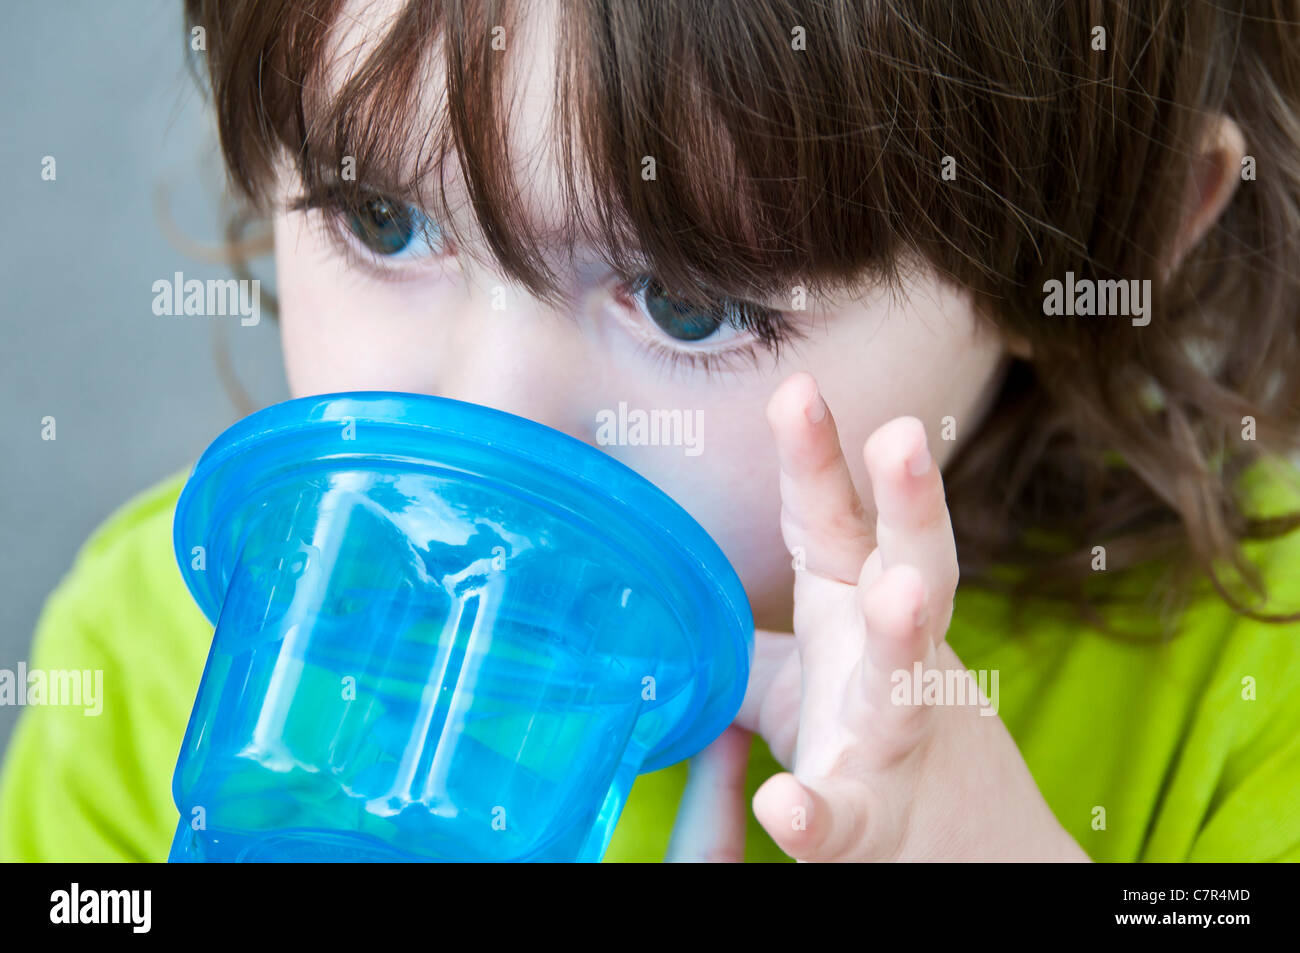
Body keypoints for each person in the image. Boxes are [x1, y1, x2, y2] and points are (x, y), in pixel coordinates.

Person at [4, 0, 1300, 862]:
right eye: (382, 221)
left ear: (1107, 234)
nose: (482, 425)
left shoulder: (1246, 697)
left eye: (687, 304)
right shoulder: (154, 663)